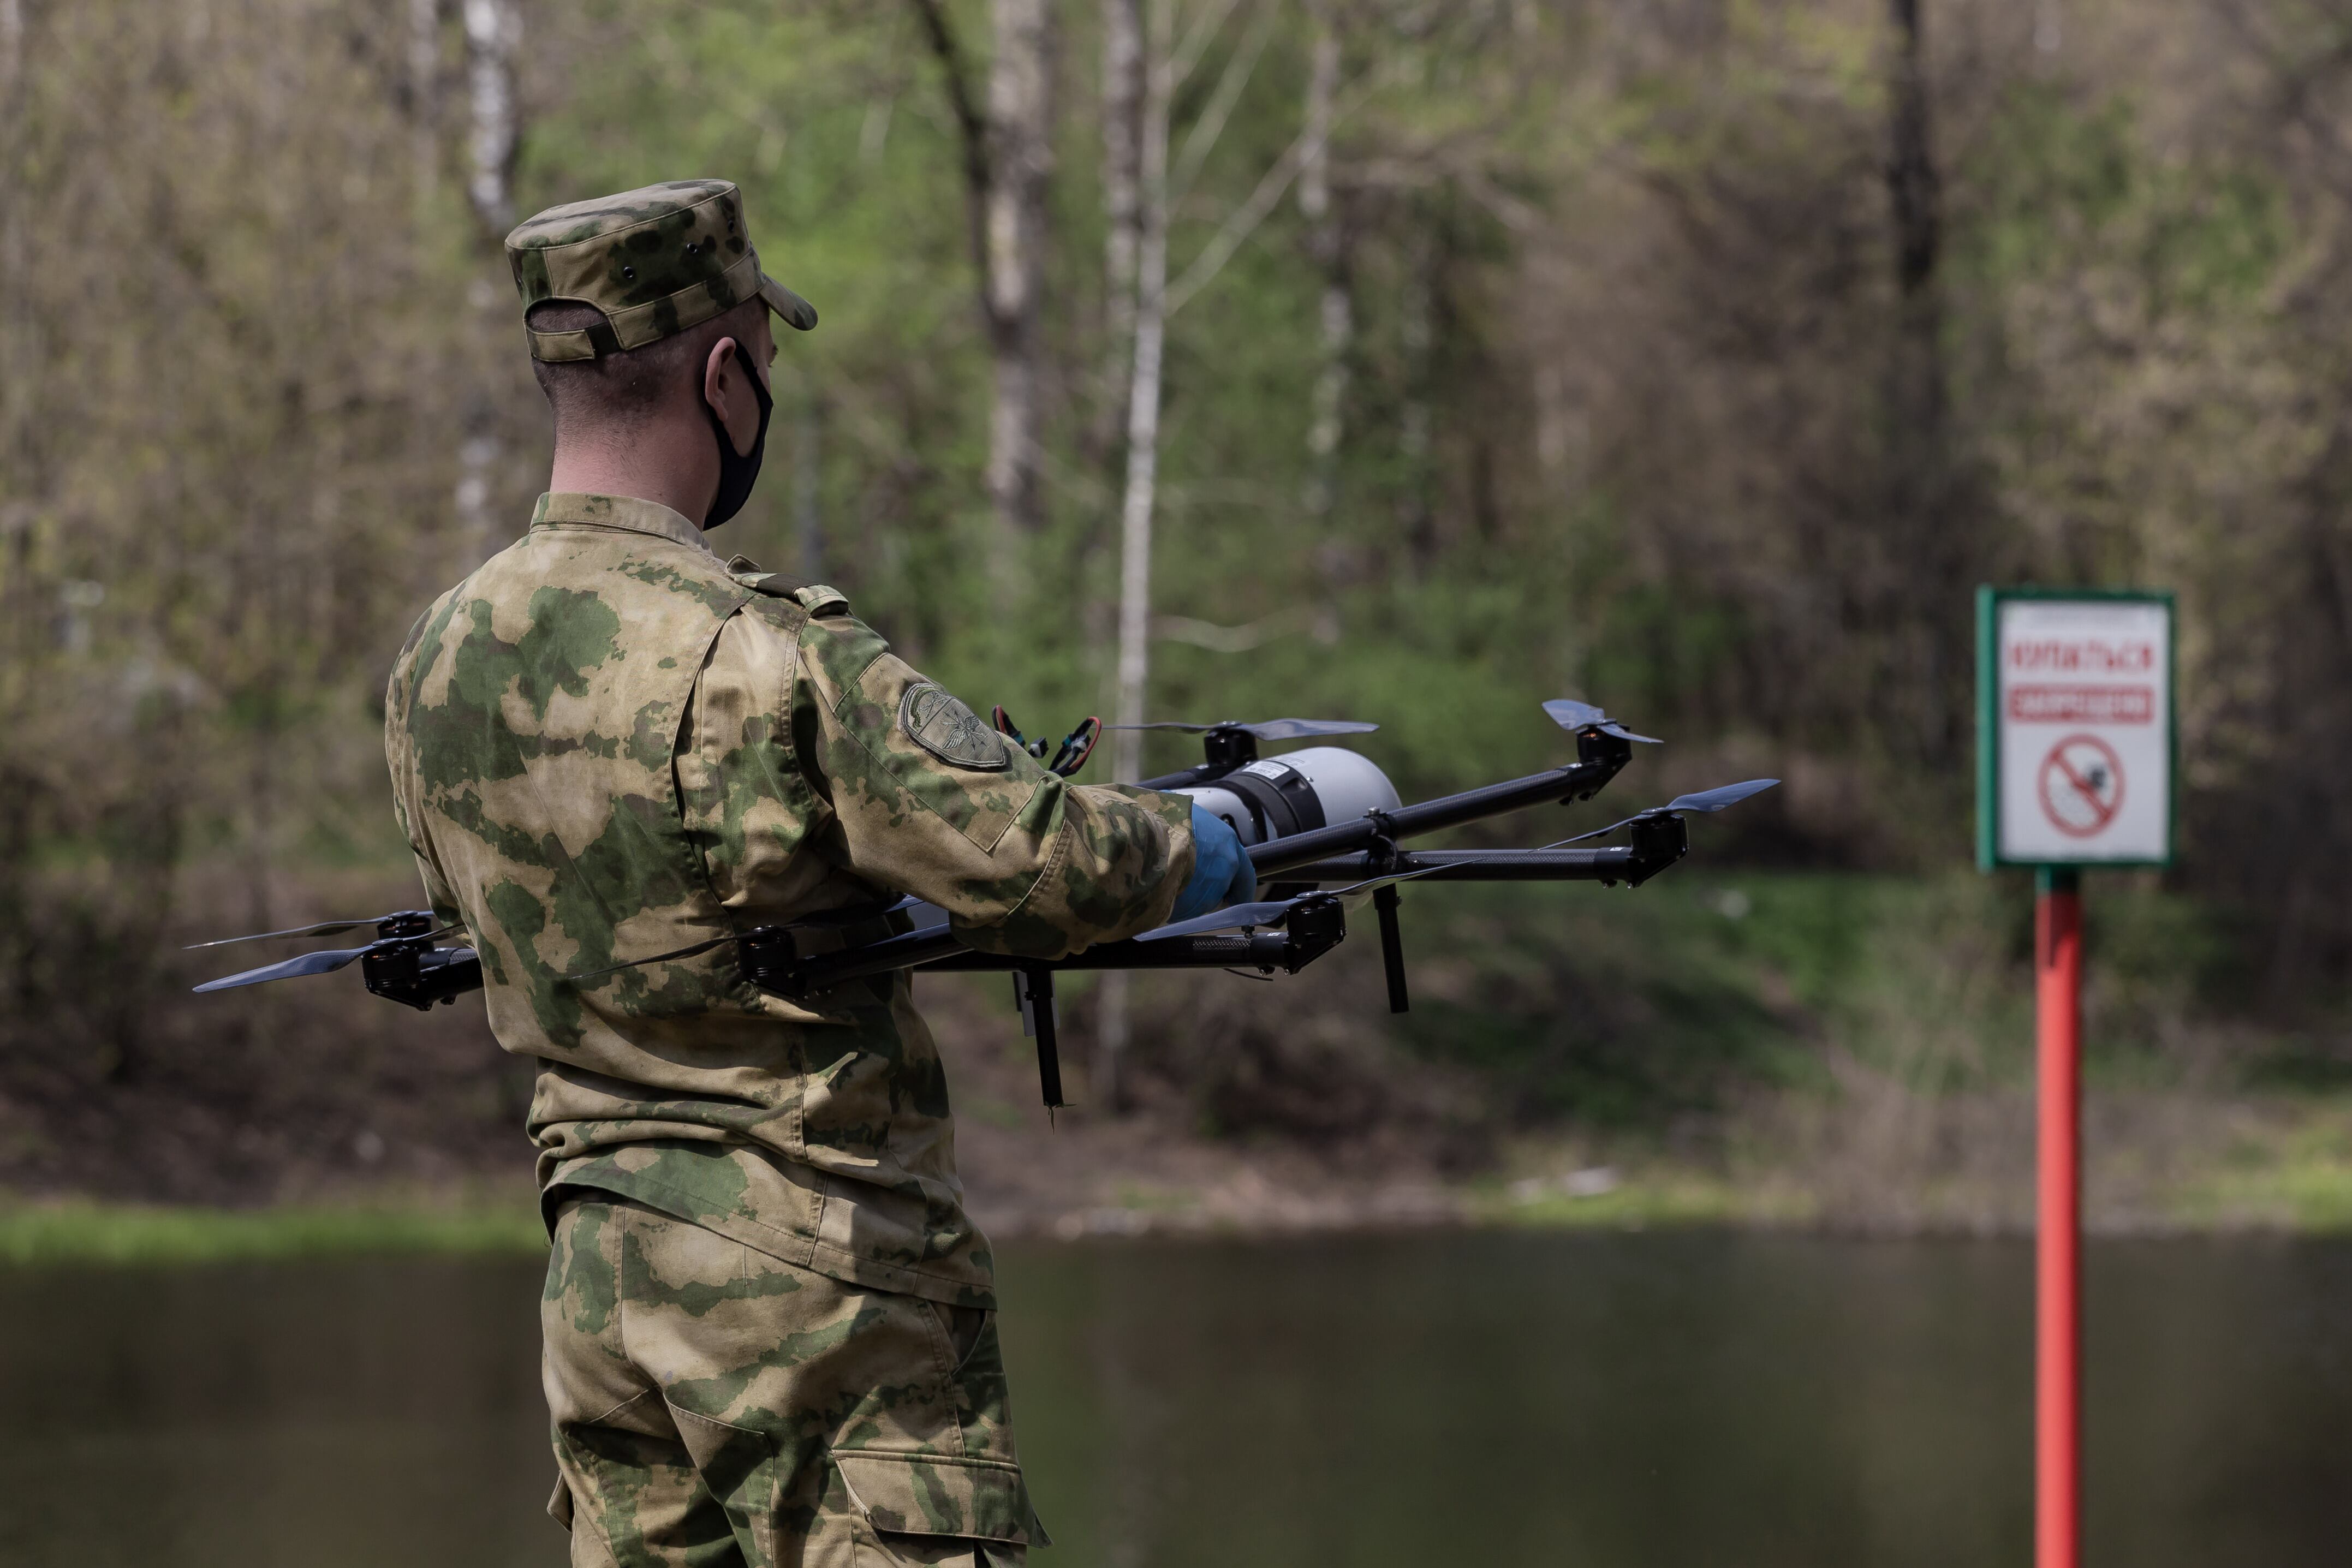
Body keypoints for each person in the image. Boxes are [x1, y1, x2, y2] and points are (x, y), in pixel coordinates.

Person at [383, 179, 1254, 1568]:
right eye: (765, 369)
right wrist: (1229, 832)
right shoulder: (766, 652)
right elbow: (1053, 869)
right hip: (821, 1297)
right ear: (726, 374)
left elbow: (485, 919)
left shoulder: (440, 657)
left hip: (600, 1288)